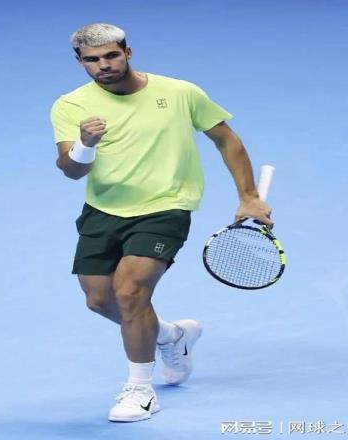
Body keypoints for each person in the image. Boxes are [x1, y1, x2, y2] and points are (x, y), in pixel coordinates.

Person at [50, 23, 273, 423]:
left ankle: (140, 390)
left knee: (131, 293)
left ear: (128, 53)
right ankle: (173, 336)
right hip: (103, 210)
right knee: (99, 300)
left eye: (111, 55)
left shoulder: (180, 92)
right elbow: (71, 170)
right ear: (80, 62)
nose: (104, 65)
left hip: (166, 207)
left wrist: (249, 196)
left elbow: (226, 139)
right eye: (92, 60)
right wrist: (85, 144)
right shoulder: (70, 105)